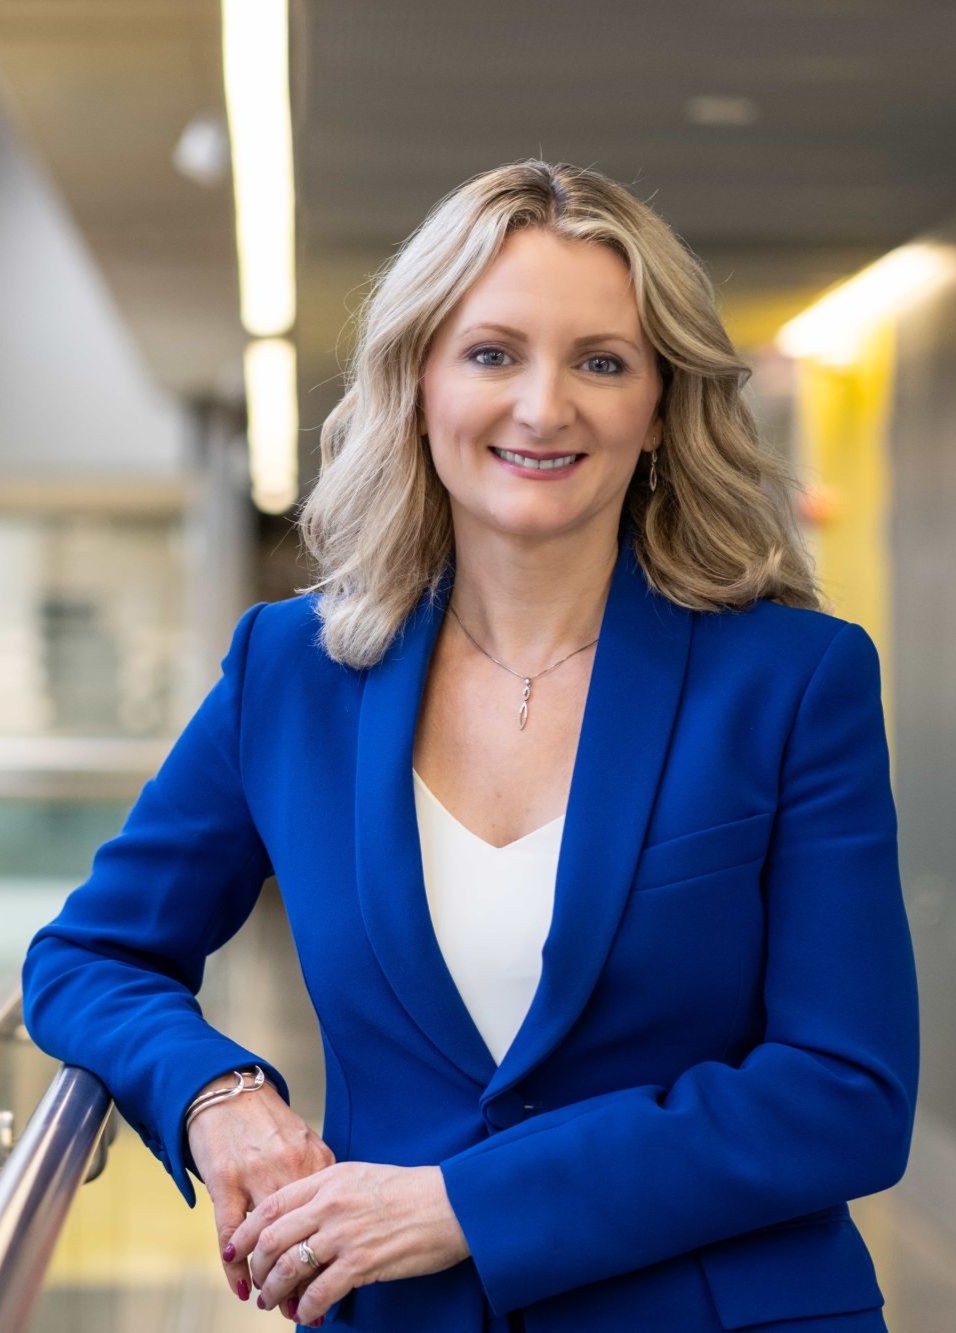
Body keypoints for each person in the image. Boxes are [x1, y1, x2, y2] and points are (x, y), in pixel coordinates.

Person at [22, 159, 919, 1332]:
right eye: (492, 353)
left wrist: (467, 1204)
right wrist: (216, 1094)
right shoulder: (289, 673)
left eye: (601, 361)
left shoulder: (793, 679)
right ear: (418, 383)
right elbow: (87, 957)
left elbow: (843, 1092)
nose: (544, 408)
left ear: (656, 408)